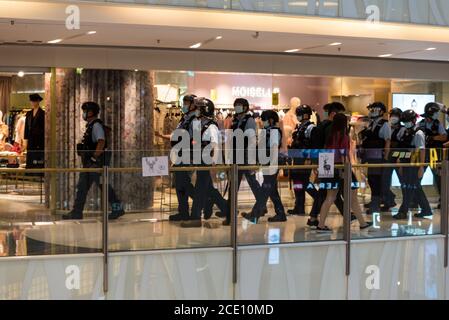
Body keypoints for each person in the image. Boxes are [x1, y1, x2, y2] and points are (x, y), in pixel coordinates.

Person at [63, 102, 124, 220]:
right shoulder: (91, 126)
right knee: (82, 187)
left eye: (84, 111)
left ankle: (118, 209)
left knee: (104, 187)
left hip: (95, 164)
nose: (83, 114)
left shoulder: (96, 125)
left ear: (90, 112)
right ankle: (77, 212)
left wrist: (94, 157)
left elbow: (101, 141)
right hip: (90, 163)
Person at [317, 113, 372, 232]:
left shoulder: (330, 136)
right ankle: (362, 223)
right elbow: (344, 155)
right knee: (353, 197)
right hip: (341, 168)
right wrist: (346, 170)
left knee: (330, 197)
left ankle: (321, 224)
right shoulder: (343, 136)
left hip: (329, 167)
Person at [181, 98, 229, 228]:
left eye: (198, 108)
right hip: (199, 158)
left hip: (206, 160)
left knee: (200, 189)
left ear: (204, 110)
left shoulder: (211, 126)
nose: (196, 110)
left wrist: (214, 161)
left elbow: (216, 144)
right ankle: (227, 209)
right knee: (207, 189)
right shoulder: (198, 124)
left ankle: (195, 217)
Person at [307, 102, 348, 228]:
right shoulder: (332, 128)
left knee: (327, 190)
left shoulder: (321, 125)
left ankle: (315, 217)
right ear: (334, 114)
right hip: (331, 161)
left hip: (324, 159)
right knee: (329, 192)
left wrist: (315, 161)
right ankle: (316, 218)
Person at [242, 110, 287, 223]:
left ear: (271, 120)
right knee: (271, 189)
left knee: (265, 188)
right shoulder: (269, 131)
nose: (262, 122)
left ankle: (255, 214)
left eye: (264, 119)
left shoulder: (274, 131)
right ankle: (280, 213)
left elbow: (272, 147)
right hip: (269, 162)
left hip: (272, 162)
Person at [226, 98, 263, 223]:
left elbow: (252, 141)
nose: (237, 107)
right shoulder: (235, 120)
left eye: (239, 105)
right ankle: (230, 212)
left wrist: (251, 160)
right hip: (236, 156)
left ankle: (261, 206)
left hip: (246, 157)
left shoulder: (250, 120)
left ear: (245, 107)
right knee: (234, 185)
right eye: (235, 105)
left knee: (252, 183)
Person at [394, 110, 432, 219]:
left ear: (414, 120)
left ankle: (403, 211)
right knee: (414, 186)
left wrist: (421, 167)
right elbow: (402, 149)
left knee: (409, 187)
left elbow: (422, 151)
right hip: (407, 161)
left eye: (408, 121)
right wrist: (401, 163)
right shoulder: (404, 132)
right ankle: (426, 210)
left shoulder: (418, 133)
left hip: (416, 161)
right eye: (404, 121)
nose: (406, 123)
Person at [165, 94, 197, 222]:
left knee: (183, 183)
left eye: (186, 103)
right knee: (180, 184)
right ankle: (183, 210)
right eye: (183, 102)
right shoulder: (185, 118)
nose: (184, 105)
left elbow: (193, 138)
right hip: (179, 153)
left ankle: (204, 202)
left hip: (186, 154)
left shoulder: (194, 119)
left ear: (193, 104)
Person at [358, 102, 391, 215]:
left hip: (378, 157)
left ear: (381, 111)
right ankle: (382, 201)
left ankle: (376, 204)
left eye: (374, 109)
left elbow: (387, 141)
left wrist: (385, 158)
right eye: (371, 109)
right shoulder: (371, 123)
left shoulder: (385, 124)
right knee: (373, 180)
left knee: (376, 180)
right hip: (371, 156)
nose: (372, 111)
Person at [288, 104, 320, 216]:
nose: (298, 116)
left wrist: (310, 159)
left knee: (304, 182)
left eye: (299, 114)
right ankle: (299, 207)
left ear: (306, 115)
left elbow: (314, 145)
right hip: (296, 158)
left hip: (305, 159)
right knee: (297, 182)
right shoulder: (299, 126)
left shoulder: (311, 128)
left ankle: (318, 198)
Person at [418, 102, 446, 206]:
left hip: (434, 153)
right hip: (422, 153)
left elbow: (444, 137)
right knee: (418, 177)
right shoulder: (420, 124)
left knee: (438, 177)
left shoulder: (438, 123)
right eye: (435, 112)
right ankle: (415, 199)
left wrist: (432, 138)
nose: (437, 114)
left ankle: (443, 200)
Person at [381, 108, 406, 210]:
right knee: (384, 180)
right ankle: (388, 201)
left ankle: (407, 202)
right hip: (387, 156)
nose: (393, 117)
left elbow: (403, 144)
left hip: (398, 157)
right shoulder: (386, 127)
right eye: (391, 115)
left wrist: (400, 158)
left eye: (395, 115)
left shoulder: (403, 129)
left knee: (403, 180)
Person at [24, 94, 45, 169]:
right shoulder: (28, 113)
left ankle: (38, 173)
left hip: (39, 140)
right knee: (30, 157)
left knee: (38, 158)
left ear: (38, 101)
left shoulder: (43, 113)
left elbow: (44, 127)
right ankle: (30, 172)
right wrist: (25, 140)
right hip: (30, 140)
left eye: (34, 101)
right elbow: (26, 127)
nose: (32, 103)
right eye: (31, 101)